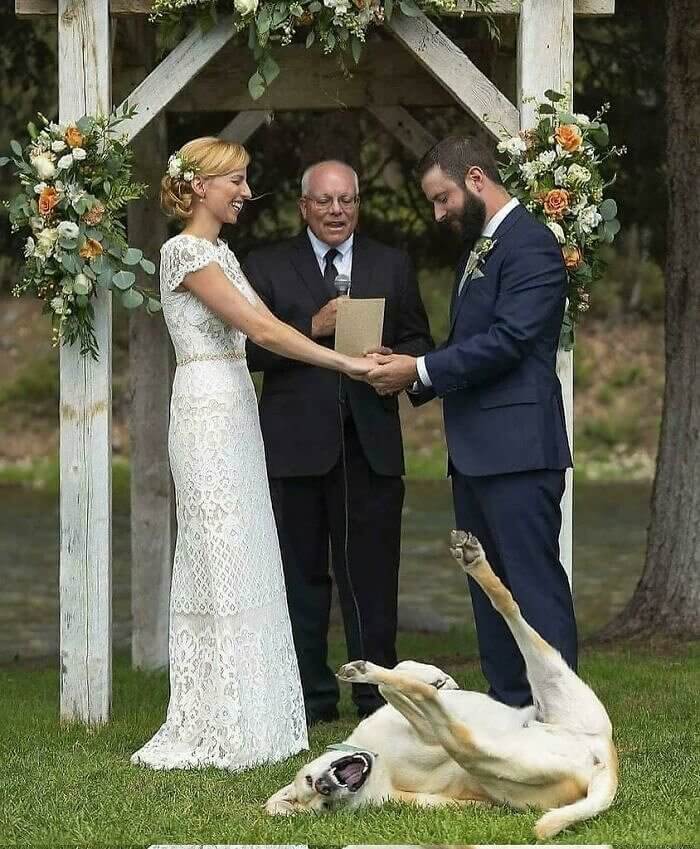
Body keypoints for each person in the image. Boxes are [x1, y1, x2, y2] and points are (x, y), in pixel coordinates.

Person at [130, 138, 372, 771]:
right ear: (201, 186)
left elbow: (275, 326)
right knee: (219, 551)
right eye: (235, 180)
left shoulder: (222, 253)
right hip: (206, 407)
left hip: (238, 405)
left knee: (249, 547)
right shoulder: (184, 252)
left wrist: (346, 342)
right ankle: (218, 715)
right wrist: (345, 363)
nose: (244, 192)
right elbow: (261, 330)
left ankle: (256, 712)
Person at [366, 136, 577, 708]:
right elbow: (470, 343)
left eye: (443, 198)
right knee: (490, 588)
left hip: (519, 449)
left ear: (477, 178)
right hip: (477, 452)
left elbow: (510, 340)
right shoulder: (481, 247)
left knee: (532, 586)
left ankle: (562, 715)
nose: (439, 213)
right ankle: (511, 706)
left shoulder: (531, 244)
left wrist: (421, 368)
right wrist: (410, 369)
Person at [243, 160, 433, 723]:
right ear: (304, 207)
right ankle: (309, 699)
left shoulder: (391, 264)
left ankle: (377, 698)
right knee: (300, 579)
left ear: (358, 205)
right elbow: (244, 351)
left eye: (346, 200)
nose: (336, 211)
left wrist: (396, 359)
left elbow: (420, 340)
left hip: (370, 445)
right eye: (324, 201)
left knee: (372, 578)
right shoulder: (266, 266)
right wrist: (311, 328)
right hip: (294, 447)